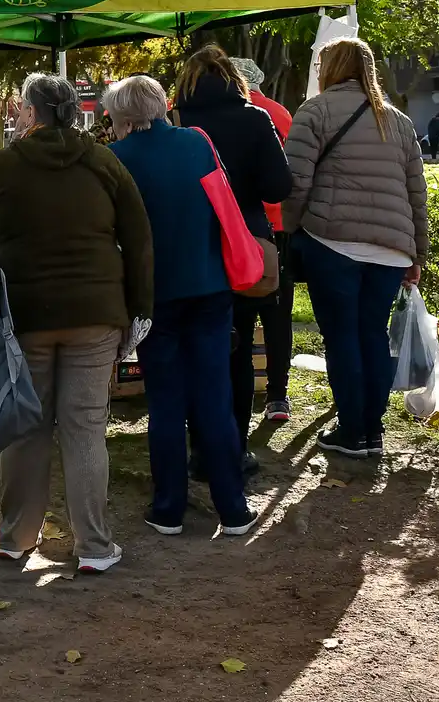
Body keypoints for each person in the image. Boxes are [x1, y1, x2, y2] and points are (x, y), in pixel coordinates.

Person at [0, 74, 153, 574]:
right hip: (95, 314)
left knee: (26, 428)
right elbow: (138, 238)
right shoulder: (103, 161)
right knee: (86, 429)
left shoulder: (3, 165)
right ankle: (94, 547)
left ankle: (15, 540)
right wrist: (140, 309)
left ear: (33, 113)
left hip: (25, 316)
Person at [105, 75, 257, 538]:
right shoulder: (196, 143)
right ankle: (233, 507)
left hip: (155, 296)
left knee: (167, 402)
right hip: (210, 286)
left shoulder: (116, 160)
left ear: (124, 117)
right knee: (215, 397)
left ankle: (169, 507)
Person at [285, 37, 427, 459]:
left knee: (342, 337)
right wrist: (417, 252)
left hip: (332, 241)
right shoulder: (398, 121)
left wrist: (291, 231)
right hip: (391, 249)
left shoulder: (315, 111)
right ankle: (373, 429)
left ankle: (352, 430)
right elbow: (416, 193)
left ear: (329, 68)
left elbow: (295, 183)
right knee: (372, 335)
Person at [171, 46, 291, 474]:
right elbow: (279, 187)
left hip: (191, 248)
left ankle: (199, 448)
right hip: (244, 248)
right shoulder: (255, 118)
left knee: (195, 349)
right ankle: (234, 449)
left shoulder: (177, 122)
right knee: (238, 351)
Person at [229, 58, 298, 425]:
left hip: (237, 227)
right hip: (279, 226)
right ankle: (278, 396)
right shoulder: (280, 115)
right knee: (277, 312)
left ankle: (235, 387)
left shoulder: (227, 115)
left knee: (237, 310)